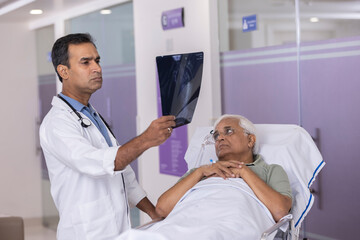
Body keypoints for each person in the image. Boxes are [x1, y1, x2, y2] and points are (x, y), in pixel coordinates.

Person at [39, 33, 176, 240]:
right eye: (86, 62)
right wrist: (146, 139)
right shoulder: (57, 123)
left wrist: (152, 211)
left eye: (97, 60)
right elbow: (98, 163)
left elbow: (124, 173)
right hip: (85, 232)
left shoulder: (91, 114)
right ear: (63, 71)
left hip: (116, 230)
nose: (97, 68)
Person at [155, 114, 292, 223]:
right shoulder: (198, 173)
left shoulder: (271, 171)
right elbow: (162, 209)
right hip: (188, 221)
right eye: (216, 135)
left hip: (231, 223)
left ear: (250, 140)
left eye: (229, 131)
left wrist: (243, 171)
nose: (220, 138)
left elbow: (280, 212)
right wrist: (201, 171)